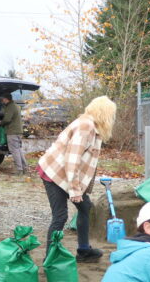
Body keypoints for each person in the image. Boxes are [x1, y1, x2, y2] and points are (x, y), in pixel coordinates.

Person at [37, 96, 116, 262]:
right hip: (54, 173)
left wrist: (80, 189)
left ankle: (84, 251)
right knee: (60, 216)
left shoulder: (92, 126)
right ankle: (50, 259)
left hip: (65, 173)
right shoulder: (85, 127)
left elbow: (84, 161)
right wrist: (74, 190)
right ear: (105, 114)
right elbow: (72, 160)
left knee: (85, 207)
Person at [0, 93, 27, 175]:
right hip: (18, 131)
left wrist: (1, 122)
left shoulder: (10, 107)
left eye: (3, 99)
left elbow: (7, 119)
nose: (2, 100)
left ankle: (19, 170)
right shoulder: (16, 106)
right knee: (19, 150)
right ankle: (24, 168)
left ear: (6, 99)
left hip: (12, 132)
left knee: (14, 151)